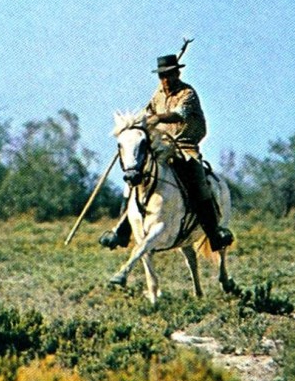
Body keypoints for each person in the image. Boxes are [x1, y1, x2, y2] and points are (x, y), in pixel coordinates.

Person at [99, 50, 234, 252]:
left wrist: (158, 118)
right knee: (135, 177)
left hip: (186, 146)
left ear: (177, 74)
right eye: (162, 76)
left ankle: (213, 232)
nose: (165, 80)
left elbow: (179, 115)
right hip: (162, 145)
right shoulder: (157, 95)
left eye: (169, 75)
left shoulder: (188, 94)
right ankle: (121, 230)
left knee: (197, 179)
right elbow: (147, 115)